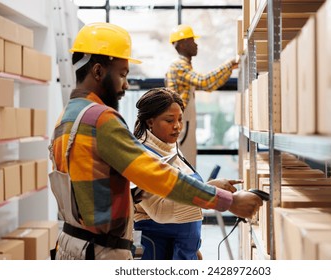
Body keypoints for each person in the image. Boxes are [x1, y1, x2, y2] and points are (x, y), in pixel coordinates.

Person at [48, 22, 262, 260]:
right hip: (99, 251)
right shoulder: (100, 119)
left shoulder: (67, 118)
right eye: (122, 74)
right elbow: (156, 176)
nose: (127, 84)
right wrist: (227, 201)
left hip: (71, 244)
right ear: (98, 72)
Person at [132, 87, 240, 260]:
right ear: (150, 122)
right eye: (169, 120)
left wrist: (193, 247)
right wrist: (208, 190)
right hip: (159, 251)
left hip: (183, 249)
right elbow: (161, 211)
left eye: (180, 119)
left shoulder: (170, 147)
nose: (177, 126)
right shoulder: (142, 156)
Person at [165, 24, 239, 168]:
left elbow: (209, 86)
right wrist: (229, 64)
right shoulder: (178, 66)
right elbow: (204, 81)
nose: (196, 44)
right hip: (182, 124)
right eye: (192, 40)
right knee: (184, 167)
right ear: (182, 44)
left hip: (185, 123)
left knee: (187, 166)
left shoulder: (185, 67)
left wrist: (230, 68)